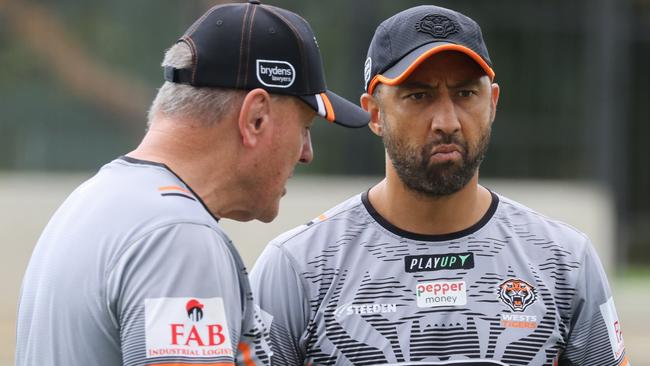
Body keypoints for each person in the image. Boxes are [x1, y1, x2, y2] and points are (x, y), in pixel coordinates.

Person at [250, 5, 630, 366]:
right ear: (374, 113)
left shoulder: (564, 261)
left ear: (493, 103)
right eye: (419, 95)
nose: (447, 121)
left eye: (466, 94)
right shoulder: (298, 267)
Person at [15, 1, 369, 365]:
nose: (306, 152)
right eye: (305, 128)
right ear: (256, 118)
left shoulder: (95, 200)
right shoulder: (179, 237)